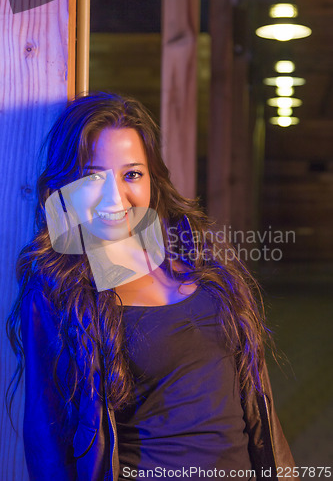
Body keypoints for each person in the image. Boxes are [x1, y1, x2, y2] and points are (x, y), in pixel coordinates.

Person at [7, 92, 299, 481]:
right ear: (67, 186)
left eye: (132, 174)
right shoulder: (58, 289)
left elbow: (257, 408)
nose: (115, 198)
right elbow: (46, 439)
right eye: (94, 177)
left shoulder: (200, 260)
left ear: (152, 179)